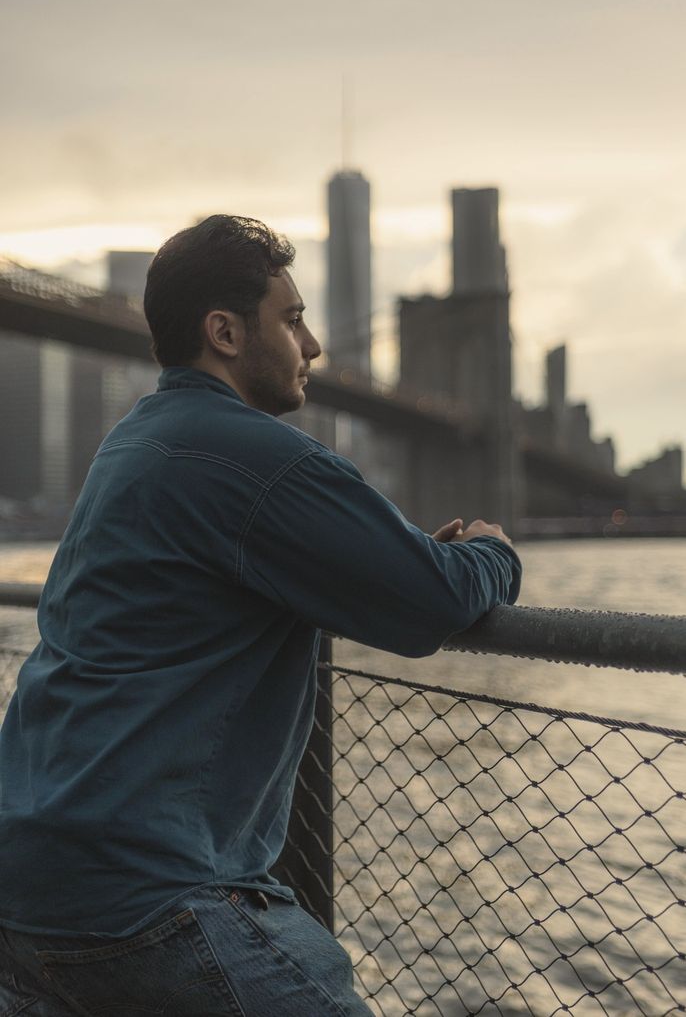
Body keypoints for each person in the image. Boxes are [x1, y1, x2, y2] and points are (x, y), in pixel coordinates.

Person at [0, 214, 521, 1015]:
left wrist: (394, 555)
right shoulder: (260, 458)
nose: (313, 346)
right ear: (225, 332)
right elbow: (435, 602)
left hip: (26, 883)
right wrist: (489, 553)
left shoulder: (133, 442)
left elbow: (285, 561)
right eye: (292, 318)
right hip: (149, 897)